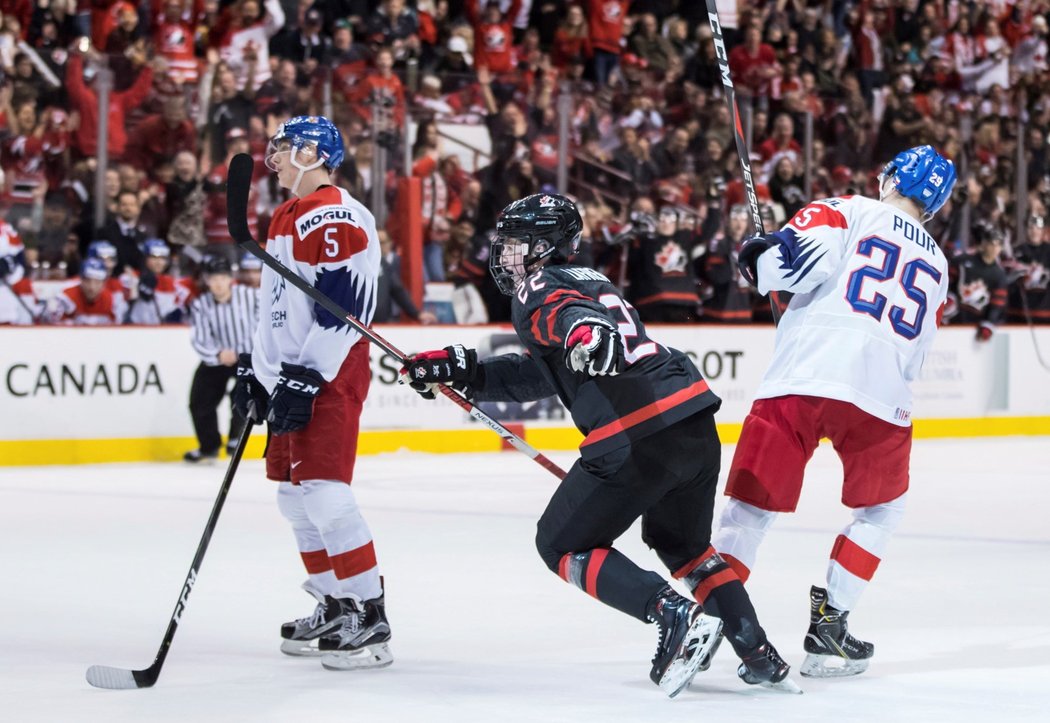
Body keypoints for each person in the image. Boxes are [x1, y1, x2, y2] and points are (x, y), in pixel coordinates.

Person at [400, 193, 797, 697]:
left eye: (515, 245)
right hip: (692, 420)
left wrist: (587, 331)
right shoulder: (594, 278)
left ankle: (670, 614)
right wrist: (465, 369)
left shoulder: (540, 283)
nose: (505, 256)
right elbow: (541, 373)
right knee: (686, 547)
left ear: (543, 246)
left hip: (636, 432)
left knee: (559, 543)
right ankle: (756, 649)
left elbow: (569, 317)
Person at [712, 145, 957, 678]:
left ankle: (710, 619)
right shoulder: (938, 263)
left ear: (891, 176)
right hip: (881, 394)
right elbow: (917, 355)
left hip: (803, 375)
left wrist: (756, 258)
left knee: (752, 506)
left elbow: (789, 266)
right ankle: (830, 629)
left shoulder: (847, 208)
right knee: (882, 512)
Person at [230, 115, 391, 672]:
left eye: (282, 147)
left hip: (329, 371)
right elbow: (278, 307)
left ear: (312, 152)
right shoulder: (286, 214)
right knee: (294, 497)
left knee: (323, 491)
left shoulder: (335, 212)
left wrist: (308, 372)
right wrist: (260, 368)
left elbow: (346, 304)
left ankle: (370, 618)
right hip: (292, 374)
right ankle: (335, 602)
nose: (272, 156)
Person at [186, 255, 258, 463]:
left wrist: (240, 352)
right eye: (213, 278)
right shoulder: (201, 304)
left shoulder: (251, 296)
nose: (218, 282)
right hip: (217, 358)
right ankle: (208, 447)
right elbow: (199, 337)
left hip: (246, 356)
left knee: (243, 397)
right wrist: (217, 354)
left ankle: (236, 437)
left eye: (222, 277)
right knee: (199, 401)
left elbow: (263, 327)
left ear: (230, 278)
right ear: (207, 280)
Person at [128, 239, 190, 324]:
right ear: (145, 258)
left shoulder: (170, 281)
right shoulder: (132, 276)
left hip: (161, 331)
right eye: (154, 257)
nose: (159, 262)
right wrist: (137, 287)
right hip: (134, 329)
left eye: (162, 258)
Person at [53, 257, 128, 325]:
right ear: (81, 280)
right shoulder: (66, 298)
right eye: (87, 281)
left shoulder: (112, 301)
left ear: (104, 283)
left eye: (97, 282)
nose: (92, 287)